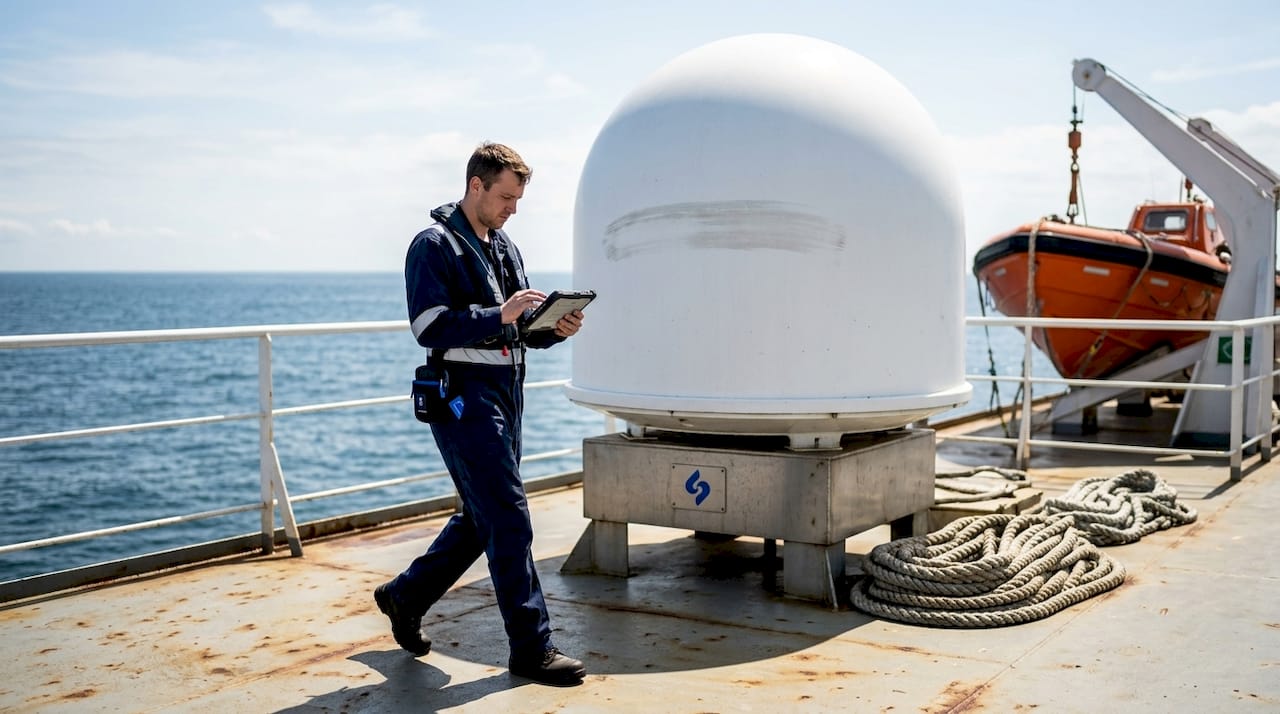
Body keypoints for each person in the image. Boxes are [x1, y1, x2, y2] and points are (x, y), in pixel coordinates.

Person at [376, 142, 586, 686]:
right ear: (476, 185)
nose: (512, 209)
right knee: (508, 516)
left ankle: (404, 597)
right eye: (506, 198)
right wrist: (500, 314)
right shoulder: (432, 245)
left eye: (517, 200)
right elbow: (428, 325)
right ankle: (531, 648)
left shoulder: (505, 245)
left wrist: (552, 329)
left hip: (506, 394)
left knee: (482, 517)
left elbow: (517, 330)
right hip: (463, 397)